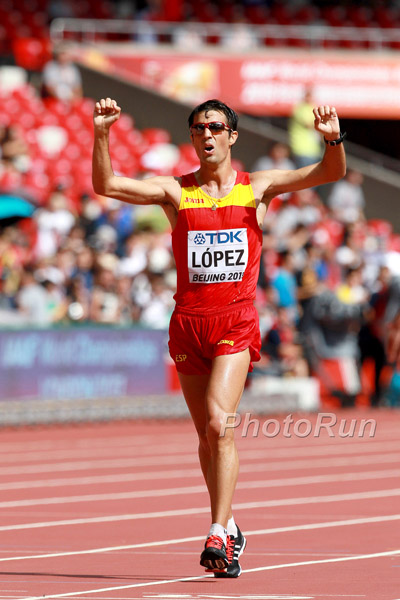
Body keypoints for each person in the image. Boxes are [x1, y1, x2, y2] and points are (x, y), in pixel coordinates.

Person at [92, 97, 346, 577]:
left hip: (234, 322)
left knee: (217, 423)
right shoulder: (175, 191)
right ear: (192, 138)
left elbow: (329, 172)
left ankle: (215, 531)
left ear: (232, 135)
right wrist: (102, 133)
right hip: (188, 323)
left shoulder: (257, 187)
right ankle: (229, 527)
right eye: (197, 128)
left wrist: (332, 139)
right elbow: (106, 184)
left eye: (214, 127)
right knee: (206, 438)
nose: (205, 135)